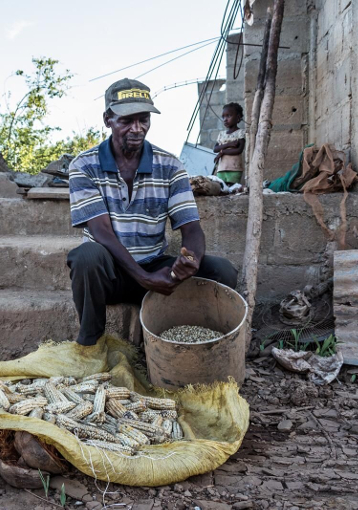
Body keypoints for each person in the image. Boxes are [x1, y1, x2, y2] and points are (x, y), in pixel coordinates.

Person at [66, 78, 238, 346]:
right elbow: (101, 231)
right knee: (86, 256)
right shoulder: (84, 165)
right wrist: (142, 277)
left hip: (157, 271)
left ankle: (204, 347)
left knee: (222, 271)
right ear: (107, 119)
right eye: (126, 121)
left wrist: (190, 260)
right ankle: (90, 344)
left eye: (144, 119)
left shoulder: (169, 165)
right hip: (109, 274)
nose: (137, 128)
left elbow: (191, 227)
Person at [213, 102, 246, 185]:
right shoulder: (221, 134)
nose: (225, 119)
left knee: (232, 189)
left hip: (234, 168)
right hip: (221, 169)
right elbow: (215, 149)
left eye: (228, 116)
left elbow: (239, 150)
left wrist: (223, 152)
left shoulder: (240, 133)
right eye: (223, 116)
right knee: (221, 190)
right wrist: (228, 145)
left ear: (238, 117)